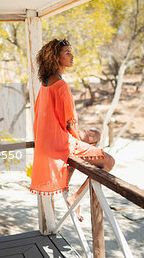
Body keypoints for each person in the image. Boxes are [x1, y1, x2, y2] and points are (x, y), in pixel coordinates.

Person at [30, 38, 115, 221]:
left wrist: (79, 137)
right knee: (109, 162)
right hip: (59, 144)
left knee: (95, 135)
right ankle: (75, 196)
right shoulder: (61, 86)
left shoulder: (46, 83)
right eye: (67, 53)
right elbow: (71, 124)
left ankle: (67, 174)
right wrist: (77, 139)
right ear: (55, 58)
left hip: (47, 141)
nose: (72, 56)